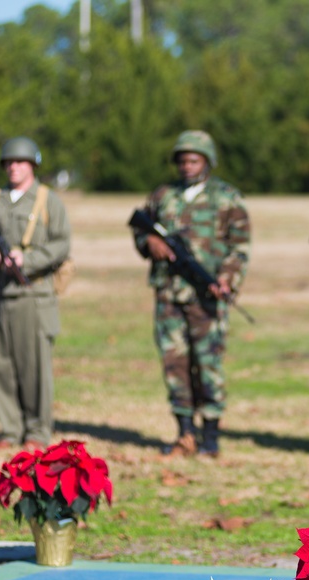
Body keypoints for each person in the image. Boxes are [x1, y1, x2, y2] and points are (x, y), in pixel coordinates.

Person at [133, 130, 251, 458]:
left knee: (208, 362)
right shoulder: (163, 195)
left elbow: (240, 248)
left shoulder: (227, 198)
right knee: (174, 362)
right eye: (182, 160)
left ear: (207, 162)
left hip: (207, 295)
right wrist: (149, 243)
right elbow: (141, 230)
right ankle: (185, 431)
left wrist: (226, 280)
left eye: (194, 160)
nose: (187, 166)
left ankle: (210, 434)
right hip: (169, 294)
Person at [0, 136, 71, 449]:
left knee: (34, 367)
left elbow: (62, 244)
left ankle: (36, 432)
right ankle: (10, 430)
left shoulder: (48, 201)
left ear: (33, 165)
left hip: (34, 296)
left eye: (19, 162)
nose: (13, 168)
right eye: (8, 163)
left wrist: (28, 259)